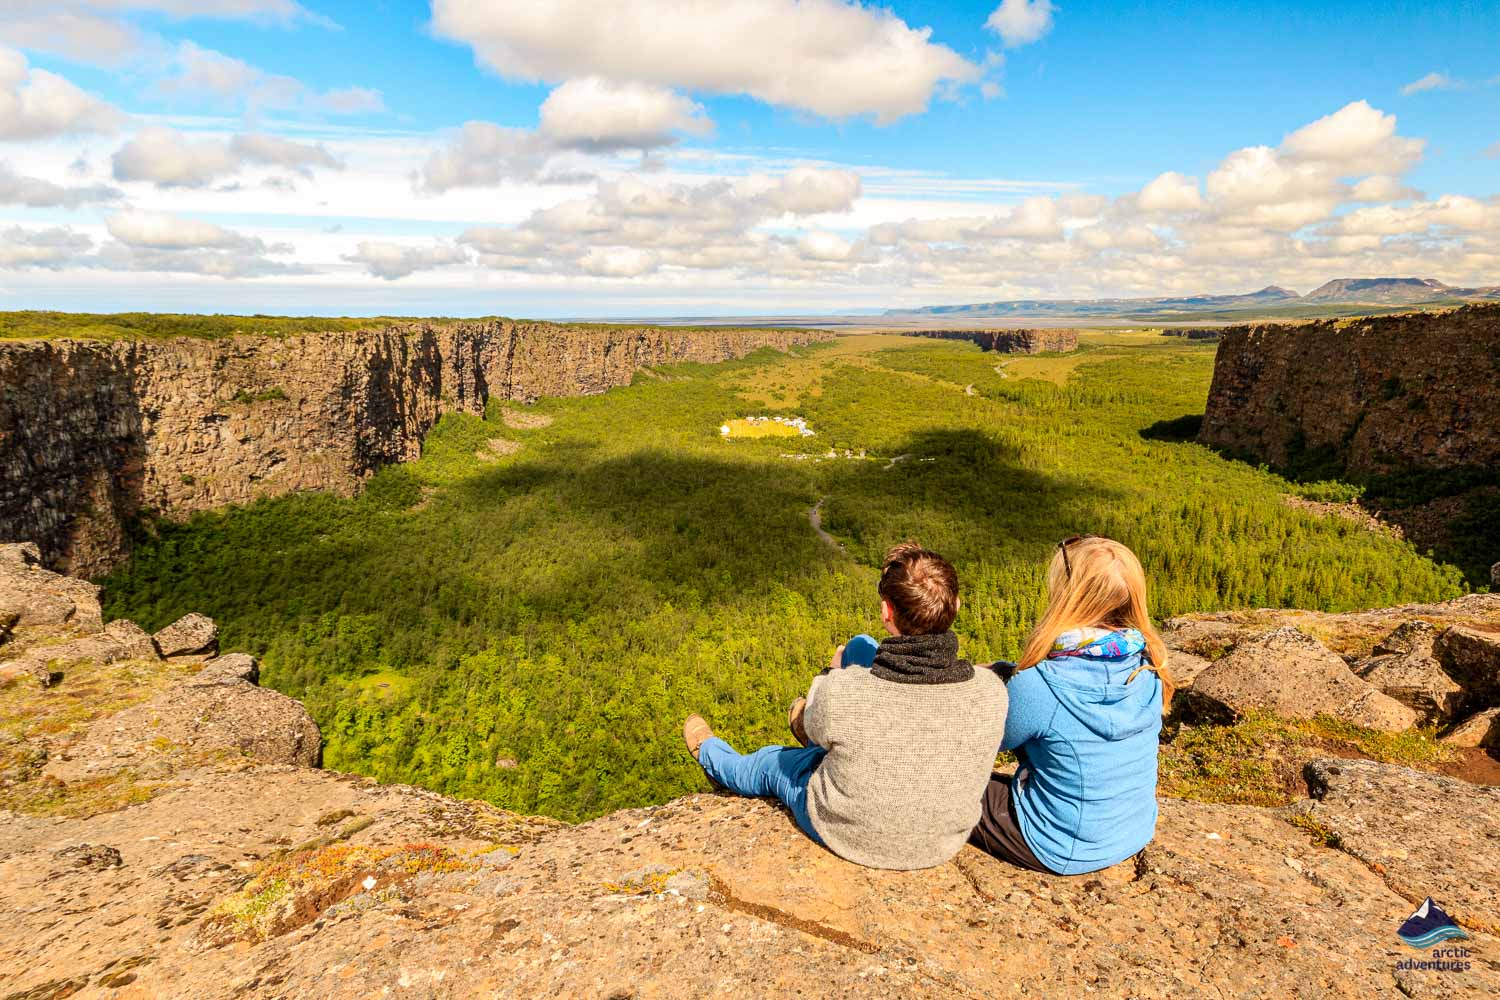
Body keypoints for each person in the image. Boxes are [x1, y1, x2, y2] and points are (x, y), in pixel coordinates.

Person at [682, 542, 1008, 871]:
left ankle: (713, 756)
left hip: (850, 832)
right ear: (956, 605)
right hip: (942, 842)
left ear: (887, 612)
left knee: (773, 763)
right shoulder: (991, 692)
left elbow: (834, 712)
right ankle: (816, 730)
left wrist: (832, 674)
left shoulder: (845, 692)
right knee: (861, 647)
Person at [970, 534, 1171, 875]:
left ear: (1068, 594)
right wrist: (1008, 674)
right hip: (1133, 829)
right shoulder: (1149, 665)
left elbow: (990, 739)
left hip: (1058, 845)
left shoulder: (1042, 684)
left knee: (943, 783)